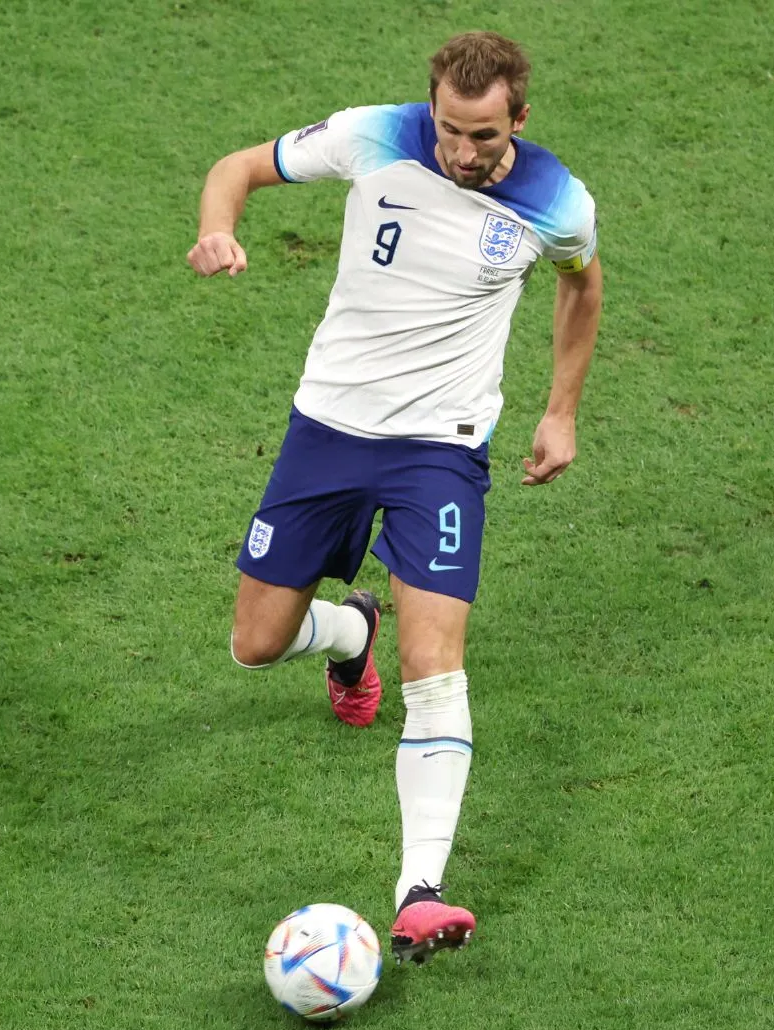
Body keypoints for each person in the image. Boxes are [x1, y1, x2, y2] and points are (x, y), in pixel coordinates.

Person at [186, 31, 603, 965]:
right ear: (432, 111)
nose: (464, 153)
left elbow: (582, 287)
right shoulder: (376, 136)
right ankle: (348, 636)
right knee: (255, 644)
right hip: (326, 429)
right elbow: (239, 166)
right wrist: (220, 227)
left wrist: (560, 411)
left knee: (436, 669)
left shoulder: (555, 199)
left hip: (440, 453)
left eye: (486, 138)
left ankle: (422, 887)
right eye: (452, 132)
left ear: (520, 121)